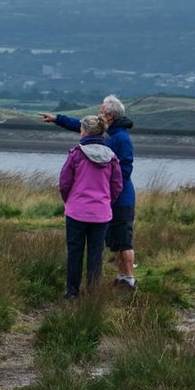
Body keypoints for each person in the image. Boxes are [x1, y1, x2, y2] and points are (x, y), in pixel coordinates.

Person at [41, 96, 137, 289]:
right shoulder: (105, 133)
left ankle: (129, 279)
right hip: (103, 202)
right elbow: (83, 125)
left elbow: (124, 172)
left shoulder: (120, 138)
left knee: (123, 241)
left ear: (109, 115)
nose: (98, 113)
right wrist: (57, 119)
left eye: (101, 110)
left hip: (118, 200)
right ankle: (118, 279)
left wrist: (107, 191)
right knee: (111, 243)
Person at [57, 114, 124, 297]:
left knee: (75, 252)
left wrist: (69, 201)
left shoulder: (77, 154)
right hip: (101, 213)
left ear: (84, 131)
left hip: (76, 211)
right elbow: (117, 185)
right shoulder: (111, 158)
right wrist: (107, 202)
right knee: (96, 253)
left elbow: (64, 183)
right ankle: (93, 293)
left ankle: (72, 292)